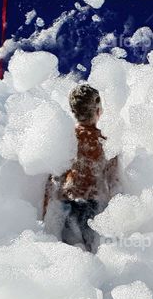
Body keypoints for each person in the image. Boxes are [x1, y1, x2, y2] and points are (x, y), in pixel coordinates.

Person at [43, 83, 119, 251]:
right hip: (92, 207)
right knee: (91, 257)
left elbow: (54, 178)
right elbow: (113, 183)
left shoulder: (66, 139)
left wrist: (45, 215)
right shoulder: (104, 144)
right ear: (98, 109)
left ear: (73, 111)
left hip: (64, 205)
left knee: (65, 257)